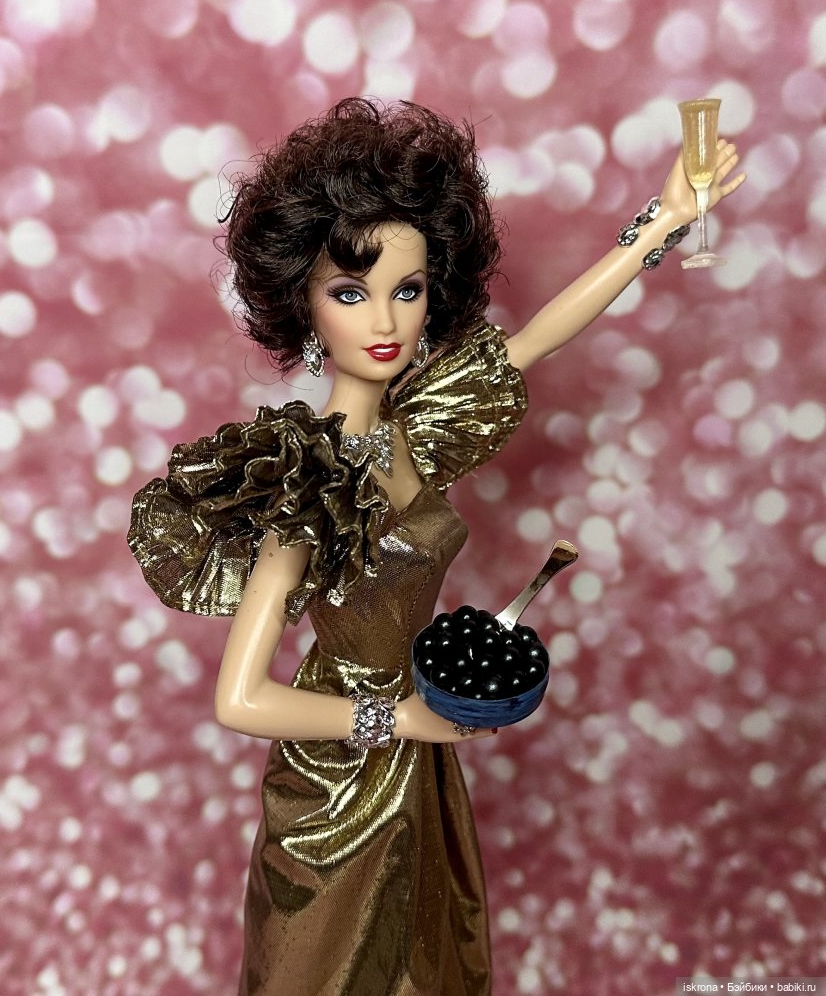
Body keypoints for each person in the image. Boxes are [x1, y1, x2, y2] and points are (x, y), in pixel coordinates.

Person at [128, 98, 744, 995]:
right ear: (303, 304)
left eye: (407, 290)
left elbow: (535, 341)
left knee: (425, 966)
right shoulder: (309, 477)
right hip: (340, 779)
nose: (385, 320)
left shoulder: (416, 431)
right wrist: (396, 721)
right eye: (350, 292)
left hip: (420, 755)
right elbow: (240, 696)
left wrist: (664, 221)